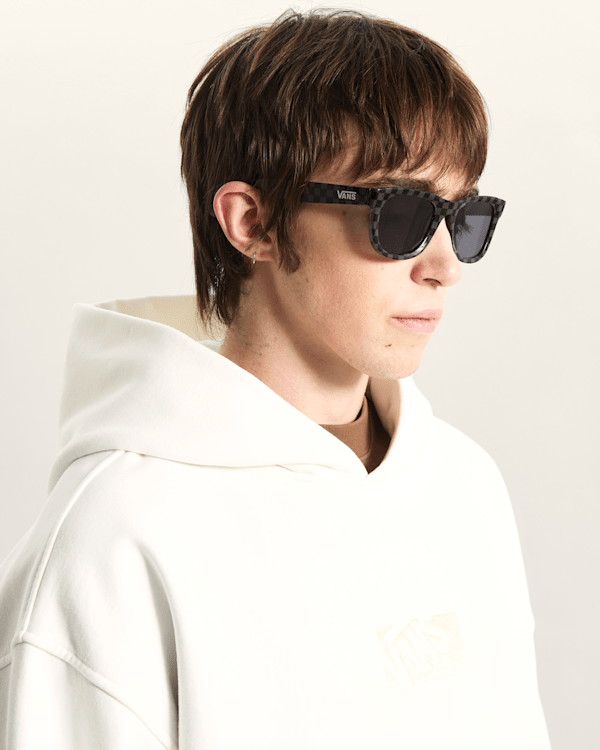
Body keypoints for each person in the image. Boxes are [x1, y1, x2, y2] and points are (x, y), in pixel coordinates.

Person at [0, 9, 551, 749]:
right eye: (402, 215)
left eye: (464, 217)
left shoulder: (463, 482)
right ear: (253, 223)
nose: (445, 266)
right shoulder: (116, 534)